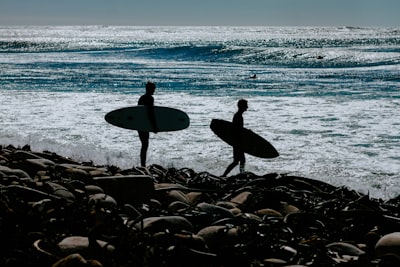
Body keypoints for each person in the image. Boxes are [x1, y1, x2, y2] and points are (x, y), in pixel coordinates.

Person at [222, 99, 248, 177]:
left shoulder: (238, 115)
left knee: (239, 160)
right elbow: (236, 130)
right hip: (237, 142)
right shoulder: (238, 116)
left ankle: (241, 174)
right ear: (242, 106)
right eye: (246, 105)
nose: (247, 107)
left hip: (237, 141)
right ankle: (225, 175)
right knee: (238, 161)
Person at [137, 81, 158, 167]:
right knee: (145, 144)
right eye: (153, 89)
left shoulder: (141, 98)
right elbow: (150, 113)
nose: (154, 91)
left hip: (139, 124)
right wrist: (154, 127)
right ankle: (143, 165)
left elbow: (138, 112)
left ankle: (143, 164)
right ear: (149, 89)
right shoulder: (150, 99)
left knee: (144, 144)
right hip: (145, 124)